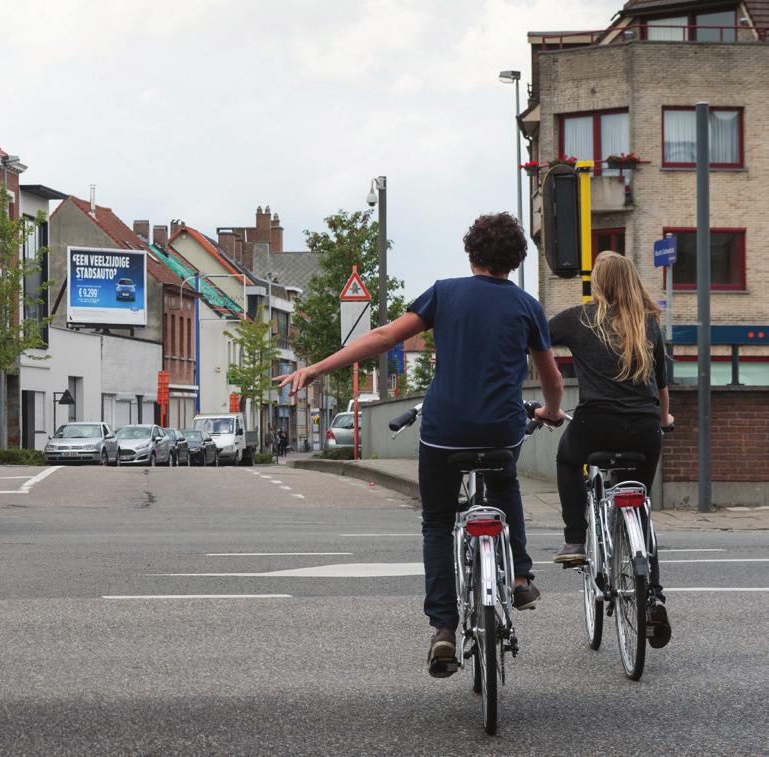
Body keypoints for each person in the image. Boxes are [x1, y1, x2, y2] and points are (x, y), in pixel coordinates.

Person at [277, 213, 565, 677]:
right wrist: (551, 411)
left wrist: (316, 369)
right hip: (499, 430)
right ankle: (520, 578)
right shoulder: (527, 306)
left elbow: (383, 336)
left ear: (471, 253)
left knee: (436, 521)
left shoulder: (444, 293)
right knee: (505, 483)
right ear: (514, 260)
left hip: (445, 432)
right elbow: (551, 376)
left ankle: (445, 630)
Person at [547, 250, 673, 648]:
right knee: (641, 506)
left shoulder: (580, 318)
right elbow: (662, 386)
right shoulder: (649, 323)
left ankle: (575, 540)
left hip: (595, 425)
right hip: (644, 428)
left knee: (568, 459)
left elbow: (533, 339)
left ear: (599, 282)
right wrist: (664, 420)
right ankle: (652, 592)